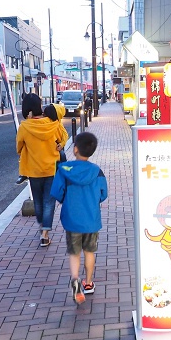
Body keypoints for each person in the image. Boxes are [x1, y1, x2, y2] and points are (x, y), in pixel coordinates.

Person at [51, 131, 108, 305]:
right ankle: (89, 283)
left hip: (72, 218)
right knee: (89, 252)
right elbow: (103, 194)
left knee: (74, 253)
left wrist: (66, 201)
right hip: (91, 218)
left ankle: (75, 280)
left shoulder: (64, 169)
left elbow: (56, 192)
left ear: (75, 149)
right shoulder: (97, 171)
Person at [16, 94, 68, 247]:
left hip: (33, 170)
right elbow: (63, 137)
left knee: (38, 201)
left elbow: (18, 147)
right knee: (48, 201)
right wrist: (60, 145)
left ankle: (42, 226)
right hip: (51, 168)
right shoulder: (53, 123)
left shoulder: (25, 126)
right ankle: (45, 232)